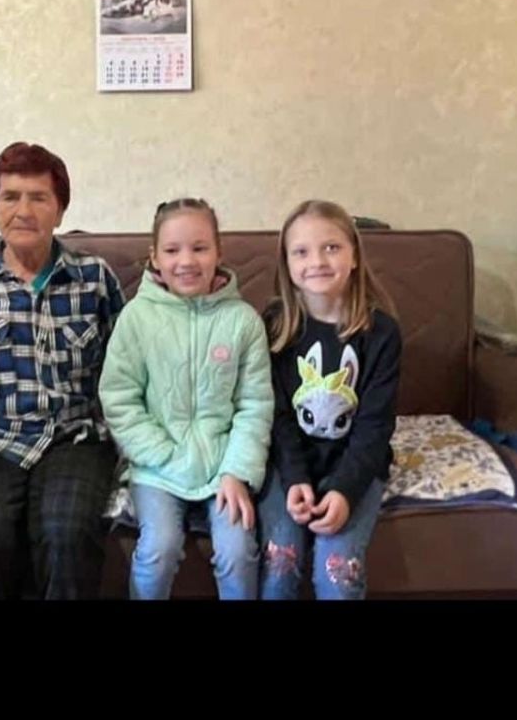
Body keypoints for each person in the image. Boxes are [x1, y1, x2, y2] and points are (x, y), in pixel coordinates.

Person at [0, 142, 124, 600]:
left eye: (39, 197)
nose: (23, 211)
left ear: (60, 210)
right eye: (10, 197)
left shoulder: (94, 278)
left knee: (66, 532)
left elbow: (126, 365)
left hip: (75, 435)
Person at [99, 198, 273, 599]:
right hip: (157, 468)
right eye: (172, 250)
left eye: (199, 248)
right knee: (158, 549)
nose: (186, 261)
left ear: (219, 252)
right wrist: (161, 454)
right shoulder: (137, 318)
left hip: (223, 468)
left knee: (238, 551)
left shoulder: (243, 321)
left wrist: (236, 471)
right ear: (155, 258)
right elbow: (119, 398)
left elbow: (255, 406)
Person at [258, 199, 401, 600]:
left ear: (354, 256)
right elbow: (276, 417)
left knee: (337, 574)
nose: (317, 261)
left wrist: (344, 491)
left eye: (331, 248)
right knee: (280, 564)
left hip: (354, 464)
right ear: (287, 264)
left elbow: (375, 427)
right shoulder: (274, 326)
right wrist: (296, 479)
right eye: (301, 252)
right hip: (287, 465)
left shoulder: (382, 333)